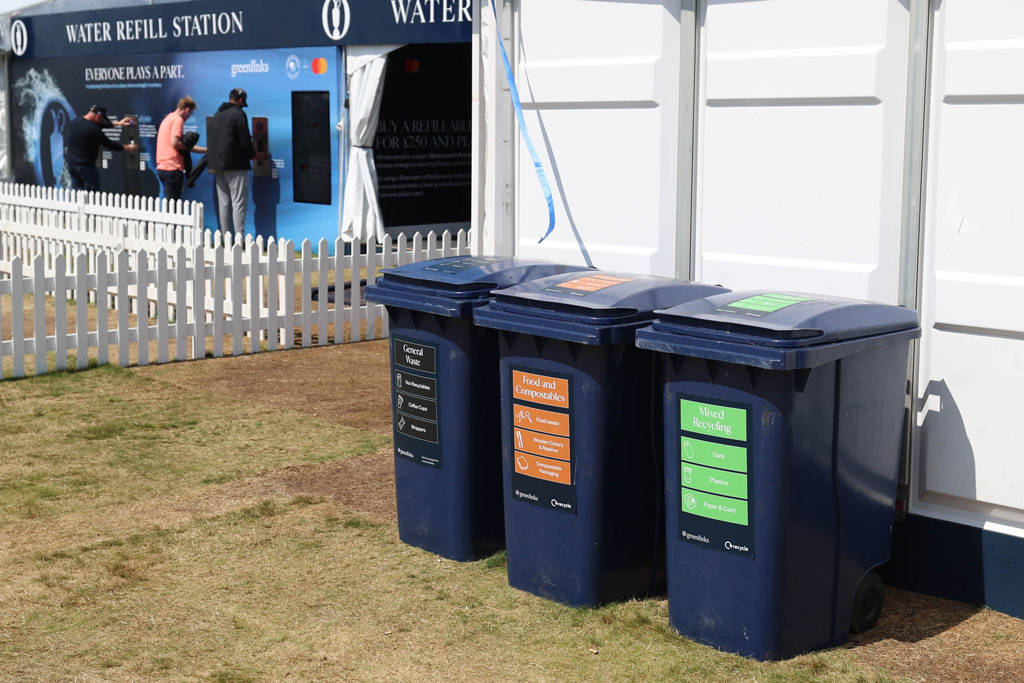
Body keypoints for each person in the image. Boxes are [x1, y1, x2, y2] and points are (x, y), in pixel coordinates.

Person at [206, 88, 256, 236]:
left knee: (224, 203)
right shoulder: (238, 114)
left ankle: (225, 237)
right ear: (240, 100)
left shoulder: (217, 115)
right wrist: (253, 154)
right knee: (239, 203)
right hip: (235, 165)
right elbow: (245, 140)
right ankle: (239, 240)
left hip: (217, 165)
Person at [63, 104, 138, 191]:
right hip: (86, 167)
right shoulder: (93, 129)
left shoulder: (76, 121)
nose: (102, 121)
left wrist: (119, 123)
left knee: (75, 192)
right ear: (98, 116)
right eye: (102, 118)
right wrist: (127, 147)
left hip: (72, 165)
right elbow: (108, 143)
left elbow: (100, 124)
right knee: (93, 193)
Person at [155, 96, 207, 201]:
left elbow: (181, 145)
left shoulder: (168, 118)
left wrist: (205, 150)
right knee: (172, 206)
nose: (188, 117)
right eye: (190, 114)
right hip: (172, 168)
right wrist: (188, 147)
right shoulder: (178, 120)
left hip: (162, 167)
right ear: (187, 109)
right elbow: (175, 143)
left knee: (169, 202)